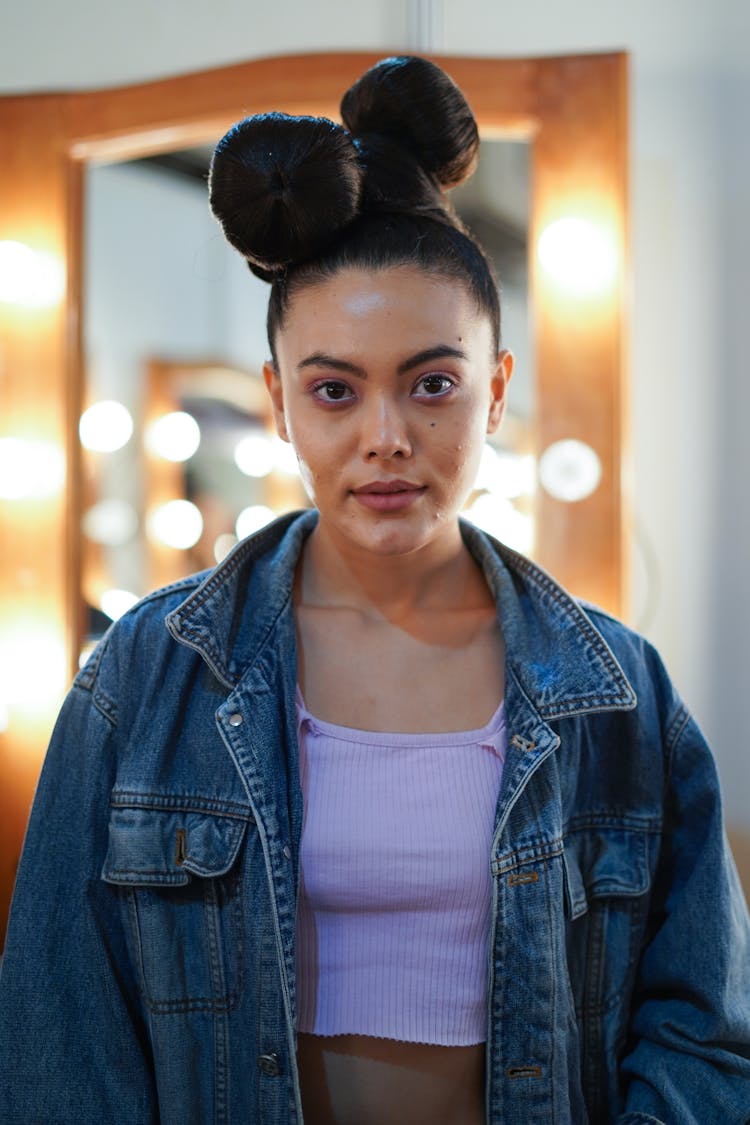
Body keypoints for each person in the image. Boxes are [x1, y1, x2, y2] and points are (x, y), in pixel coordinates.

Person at [0, 55, 748, 1125]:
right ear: (278, 404)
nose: (386, 439)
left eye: (432, 383)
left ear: (494, 390)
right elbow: (61, 1042)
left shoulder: (618, 691)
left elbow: (704, 1026)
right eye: (335, 391)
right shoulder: (146, 675)